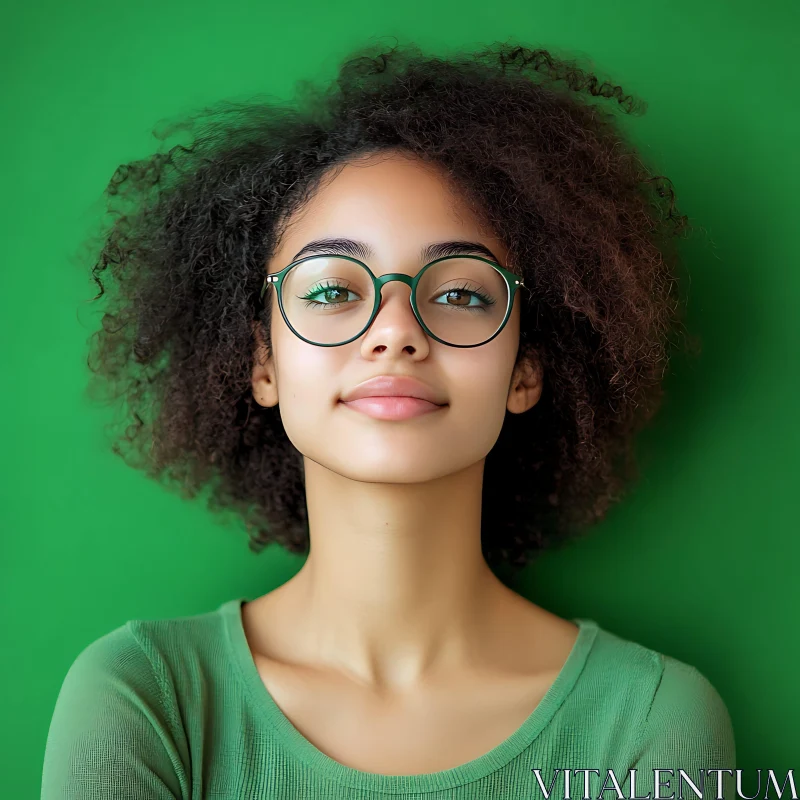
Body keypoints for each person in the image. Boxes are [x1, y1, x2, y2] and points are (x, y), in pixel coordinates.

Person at [41, 40, 736, 799]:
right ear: (263, 364)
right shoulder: (146, 699)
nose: (395, 330)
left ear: (526, 369)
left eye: (462, 294)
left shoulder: (649, 722)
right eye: (334, 291)